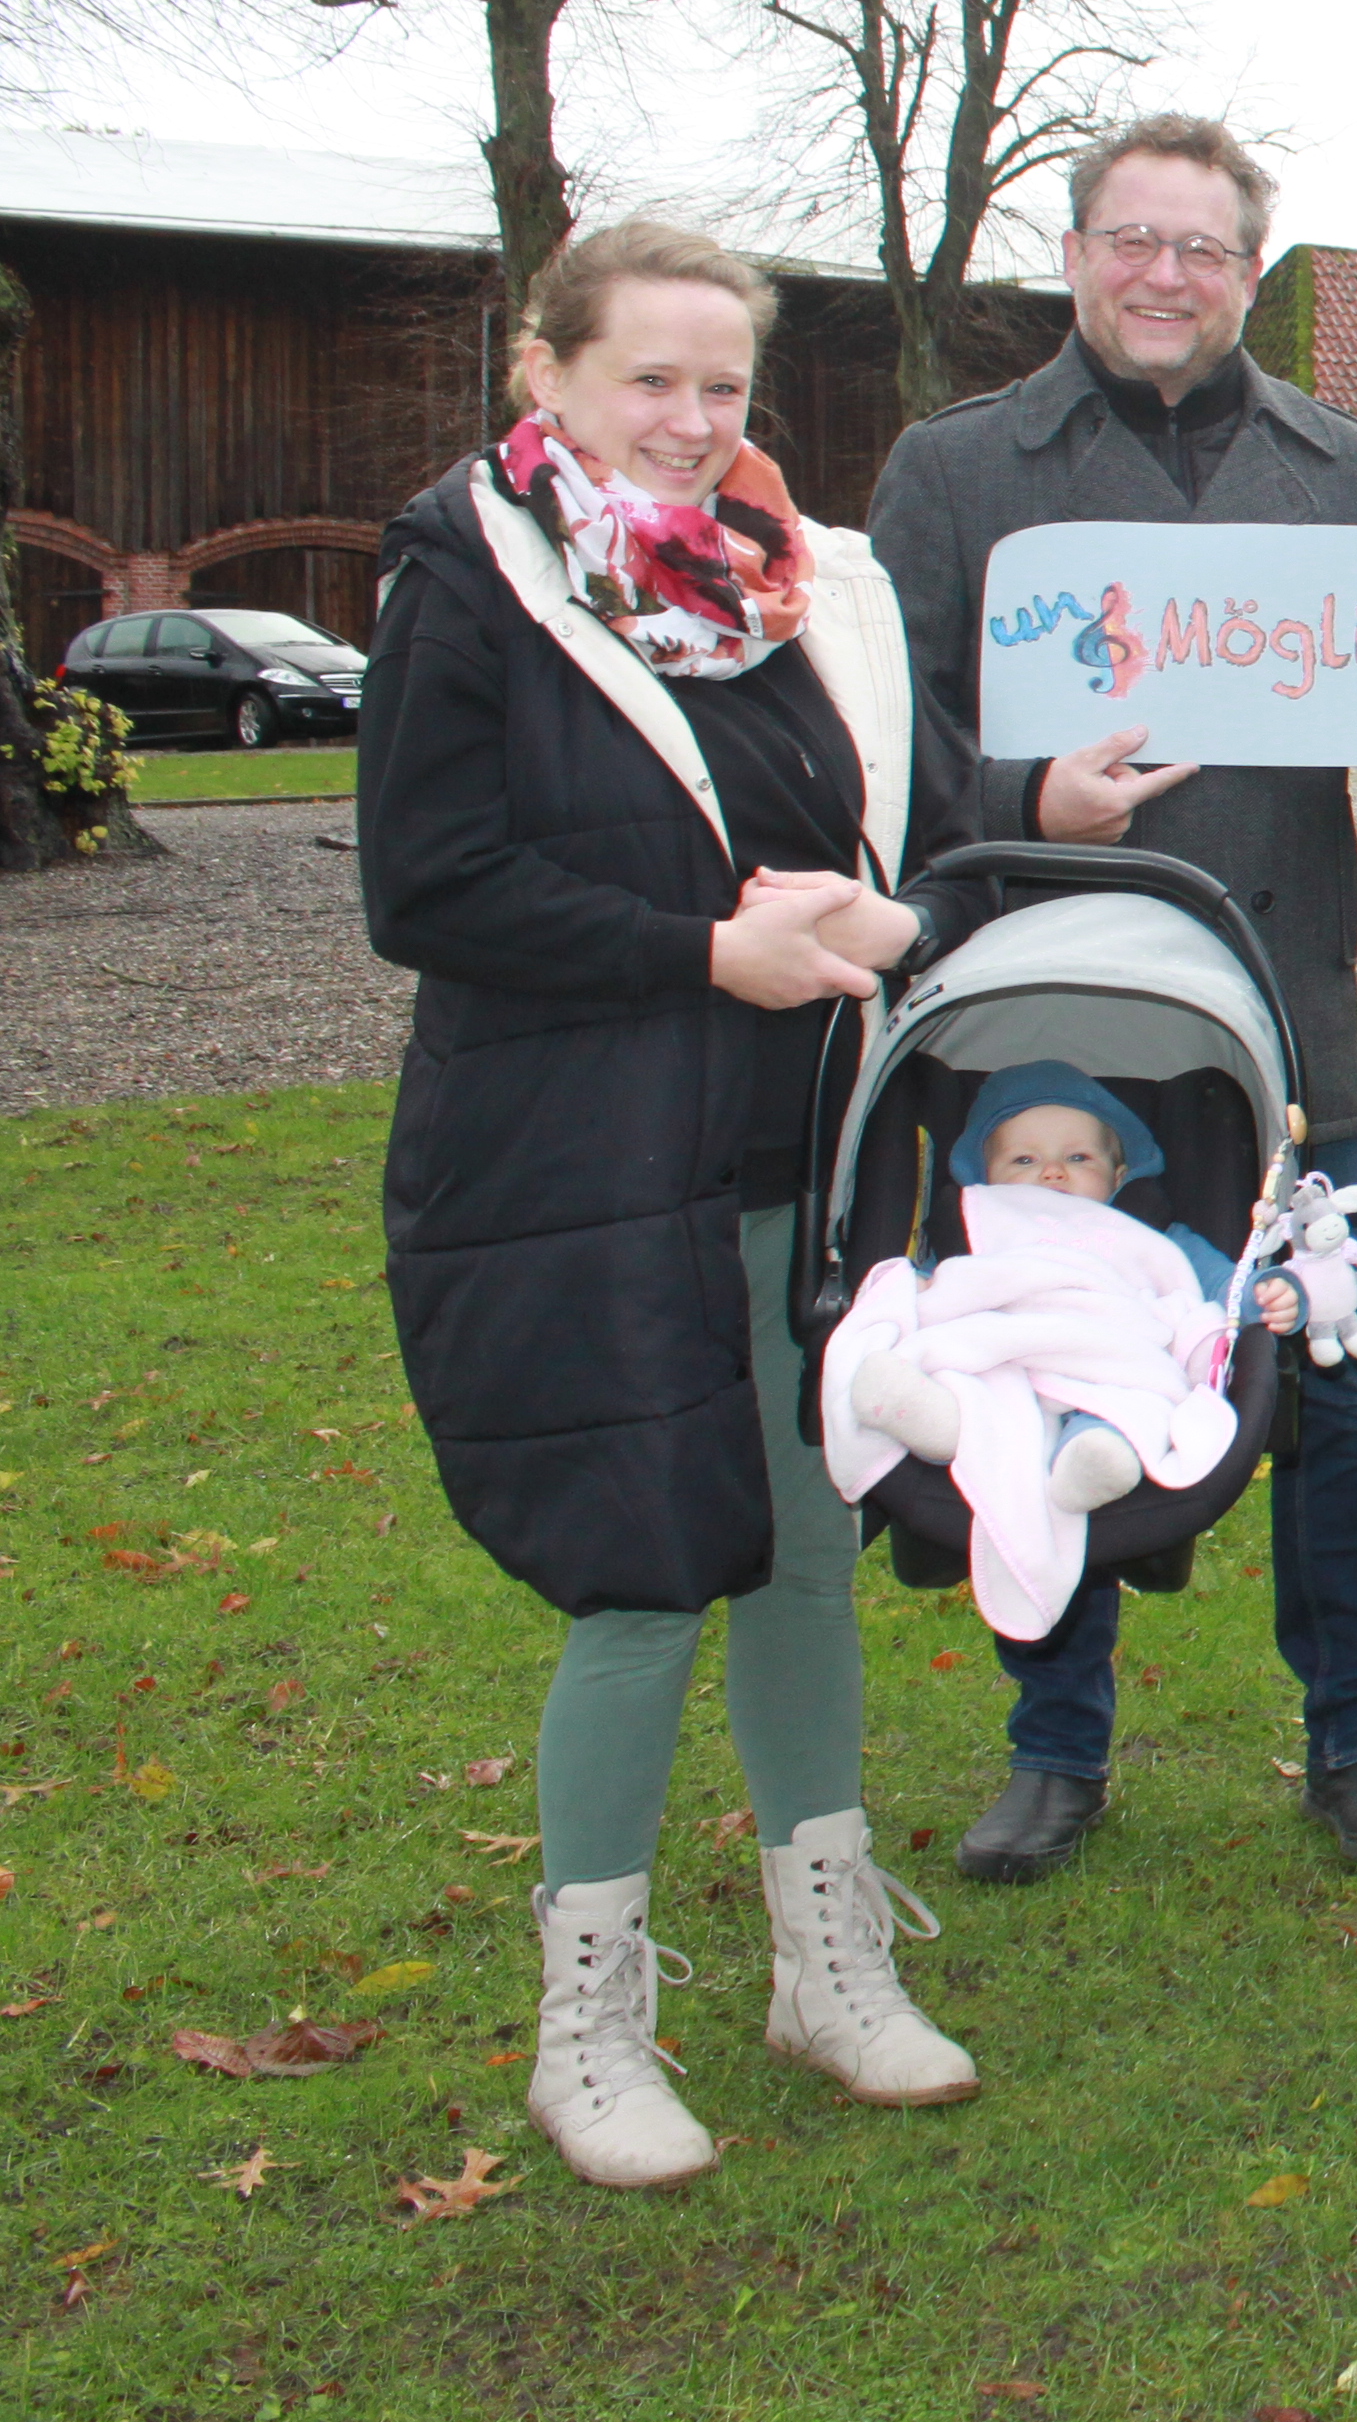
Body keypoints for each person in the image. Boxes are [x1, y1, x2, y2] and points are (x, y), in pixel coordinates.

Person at [361, 218, 985, 2191]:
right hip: (579, 1172)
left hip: (801, 1172)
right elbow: (431, 887)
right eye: (652, 380)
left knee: (806, 1548)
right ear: (544, 375)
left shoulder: (812, 591)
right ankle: (591, 2023)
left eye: (724, 388)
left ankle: (825, 1963)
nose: (694, 422)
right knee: (642, 1575)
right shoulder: (471, 579)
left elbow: (908, 816)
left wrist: (903, 908)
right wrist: (702, 952)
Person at [870, 114, 1357, 1885]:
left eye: (1202, 247)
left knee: (1341, 1398)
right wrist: (1016, 806)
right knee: (1041, 1374)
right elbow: (882, 732)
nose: (1163, 274)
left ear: (1246, 269)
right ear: (1072, 253)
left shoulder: (1344, 465)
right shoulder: (958, 466)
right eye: (1130, 239)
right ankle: (1055, 1745)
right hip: (1044, 1022)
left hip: (1286, 1023)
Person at [823, 1065, 1313, 1642]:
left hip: (1108, 1357)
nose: (1052, 1171)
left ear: (1120, 1174)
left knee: (1136, 1398)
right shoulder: (973, 1231)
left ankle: (1096, 1450)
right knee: (966, 1371)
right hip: (1004, 1356)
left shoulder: (1155, 1233)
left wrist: (1275, 1298)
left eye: (1079, 1158)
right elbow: (931, 1291)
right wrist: (913, 1296)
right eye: (1023, 1161)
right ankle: (944, 1421)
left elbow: (1225, 1293)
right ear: (985, 1179)